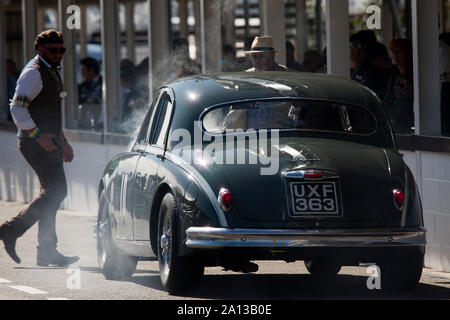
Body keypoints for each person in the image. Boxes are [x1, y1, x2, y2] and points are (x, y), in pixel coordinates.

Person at [0, 30, 79, 266]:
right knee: (56, 191)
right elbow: (16, 108)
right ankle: (12, 230)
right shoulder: (34, 74)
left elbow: (50, 114)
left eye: (61, 50)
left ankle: (46, 251)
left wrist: (63, 142)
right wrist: (37, 135)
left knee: (52, 193)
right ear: (40, 50)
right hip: (35, 143)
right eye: (53, 51)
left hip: (49, 141)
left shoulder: (48, 71)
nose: (58, 55)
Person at [383, 38, 414, 134]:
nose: (395, 55)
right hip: (395, 121)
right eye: (393, 52)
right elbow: (388, 97)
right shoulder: (392, 73)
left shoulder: (415, 73)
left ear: (408, 54)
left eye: (398, 52)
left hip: (411, 121)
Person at [350, 30, 387, 98]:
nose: (356, 50)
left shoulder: (373, 74)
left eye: (361, 47)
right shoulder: (341, 69)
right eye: (352, 45)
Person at [78, 57, 103, 129]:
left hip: (100, 123)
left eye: (83, 70)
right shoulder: (83, 86)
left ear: (91, 70)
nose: (82, 73)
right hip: (86, 123)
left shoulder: (104, 84)